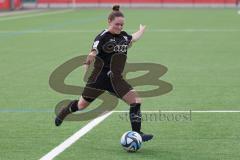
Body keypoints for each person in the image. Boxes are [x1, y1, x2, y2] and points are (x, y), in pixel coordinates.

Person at [55, 5, 153, 142]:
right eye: (116, 24)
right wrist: (87, 62)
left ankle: (137, 133)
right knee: (81, 105)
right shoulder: (102, 37)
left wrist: (141, 30)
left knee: (136, 101)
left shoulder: (124, 36)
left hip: (116, 79)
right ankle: (64, 111)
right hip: (99, 79)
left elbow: (134, 38)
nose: (119, 27)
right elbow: (93, 52)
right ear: (109, 21)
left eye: (122, 25)